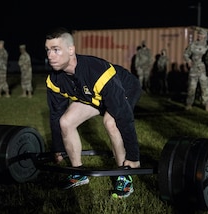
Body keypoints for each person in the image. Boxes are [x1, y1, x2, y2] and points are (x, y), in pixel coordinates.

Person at [45, 27, 142, 199]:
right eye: (48, 50)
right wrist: (58, 147)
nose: (50, 55)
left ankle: (124, 176)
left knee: (111, 123)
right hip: (93, 95)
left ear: (71, 50)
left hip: (124, 87)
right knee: (65, 122)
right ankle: (78, 173)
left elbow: (124, 117)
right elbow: (55, 114)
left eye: (56, 50)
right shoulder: (54, 80)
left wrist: (133, 156)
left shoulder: (97, 72)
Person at [183, 28, 208, 112]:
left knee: (204, 88)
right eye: (199, 34)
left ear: (205, 35)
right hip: (193, 69)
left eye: (201, 34)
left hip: (204, 70)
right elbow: (186, 54)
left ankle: (206, 104)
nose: (199, 36)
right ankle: (189, 104)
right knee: (191, 87)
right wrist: (188, 60)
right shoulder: (193, 44)